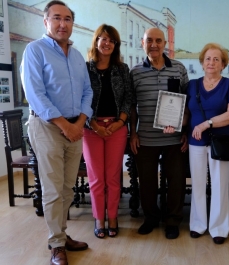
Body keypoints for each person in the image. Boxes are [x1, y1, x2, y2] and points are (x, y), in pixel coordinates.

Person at [19, 1, 93, 265]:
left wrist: (81, 121)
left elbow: (87, 92)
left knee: (67, 188)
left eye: (68, 19)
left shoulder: (76, 56)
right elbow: (35, 95)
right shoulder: (34, 51)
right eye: (57, 18)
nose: (63, 24)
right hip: (48, 127)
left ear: (73, 23)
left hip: (75, 128)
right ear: (46, 22)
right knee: (52, 189)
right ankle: (56, 244)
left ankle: (61, 235)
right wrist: (66, 125)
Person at [129, 27, 189, 239]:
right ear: (142, 42)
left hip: (174, 138)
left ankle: (172, 220)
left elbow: (186, 103)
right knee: (147, 182)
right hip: (145, 138)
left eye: (158, 40)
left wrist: (184, 130)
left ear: (165, 44)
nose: (154, 44)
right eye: (149, 40)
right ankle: (151, 218)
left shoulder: (179, 69)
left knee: (176, 181)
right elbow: (131, 106)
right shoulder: (135, 72)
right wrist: (133, 134)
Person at [186, 43, 229, 245]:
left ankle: (219, 228)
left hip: (221, 141)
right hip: (195, 141)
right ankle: (198, 225)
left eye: (216, 59)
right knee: (198, 184)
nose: (212, 62)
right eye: (208, 58)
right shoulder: (192, 85)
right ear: (202, 63)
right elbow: (185, 112)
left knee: (219, 185)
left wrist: (207, 124)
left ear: (223, 64)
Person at [83, 24, 132, 239]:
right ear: (96, 41)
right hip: (91, 128)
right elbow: (79, 100)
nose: (107, 43)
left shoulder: (122, 69)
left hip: (116, 127)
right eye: (103, 39)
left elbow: (129, 98)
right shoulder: (85, 69)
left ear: (116, 45)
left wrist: (120, 122)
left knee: (113, 177)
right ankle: (98, 219)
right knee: (96, 178)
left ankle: (113, 217)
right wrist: (92, 124)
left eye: (111, 40)